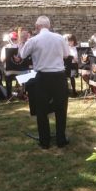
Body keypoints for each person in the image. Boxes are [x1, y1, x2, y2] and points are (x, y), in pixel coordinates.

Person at [20, 16, 70, 149]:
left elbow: (23, 55)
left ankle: (45, 141)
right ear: (49, 25)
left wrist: (22, 41)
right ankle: (61, 139)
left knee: (42, 110)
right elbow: (66, 55)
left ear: (37, 27)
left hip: (42, 77)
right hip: (59, 76)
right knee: (61, 108)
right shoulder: (59, 37)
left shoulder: (34, 40)